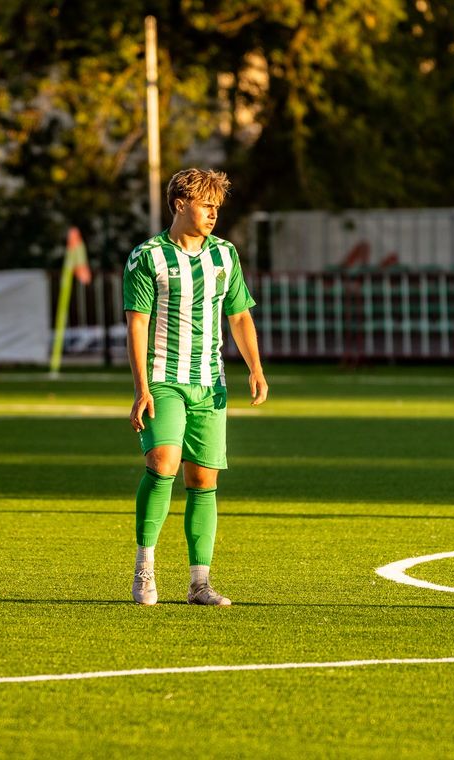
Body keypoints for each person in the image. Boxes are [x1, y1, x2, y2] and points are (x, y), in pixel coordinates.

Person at [123, 168, 268, 606]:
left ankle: (199, 583)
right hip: (164, 378)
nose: (213, 214)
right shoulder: (147, 257)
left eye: (217, 208)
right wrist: (141, 388)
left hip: (210, 382)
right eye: (207, 205)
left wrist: (255, 369)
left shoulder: (225, 255)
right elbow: (138, 323)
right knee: (163, 461)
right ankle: (144, 568)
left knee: (202, 477)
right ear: (181, 203)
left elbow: (239, 315)